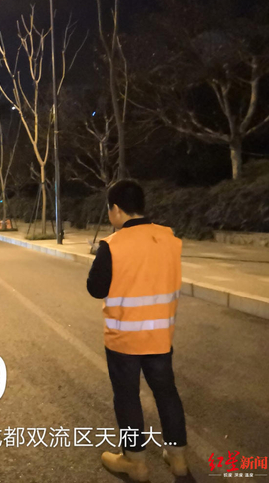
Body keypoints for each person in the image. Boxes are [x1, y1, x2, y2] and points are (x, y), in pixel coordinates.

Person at [87, 180, 188, 481]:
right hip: (160, 336)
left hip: (125, 340)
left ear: (116, 209)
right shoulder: (169, 239)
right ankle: (178, 458)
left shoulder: (113, 245)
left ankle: (135, 462)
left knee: (127, 396)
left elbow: (95, 288)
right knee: (167, 393)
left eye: (110, 209)